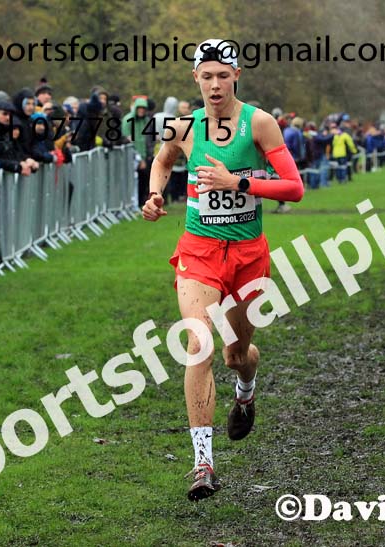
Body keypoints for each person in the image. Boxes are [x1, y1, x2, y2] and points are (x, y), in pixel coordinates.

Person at [141, 38, 304, 501]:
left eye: (222, 75)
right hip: (199, 252)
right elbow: (162, 162)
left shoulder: (260, 123)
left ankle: (246, 389)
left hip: (248, 256)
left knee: (237, 355)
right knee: (199, 345)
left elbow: (294, 188)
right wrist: (155, 195)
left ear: (237, 76)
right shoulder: (183, 126)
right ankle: (202, 465)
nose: (214, 84)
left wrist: (239, 182)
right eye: (206, 76)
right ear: (195, 78)